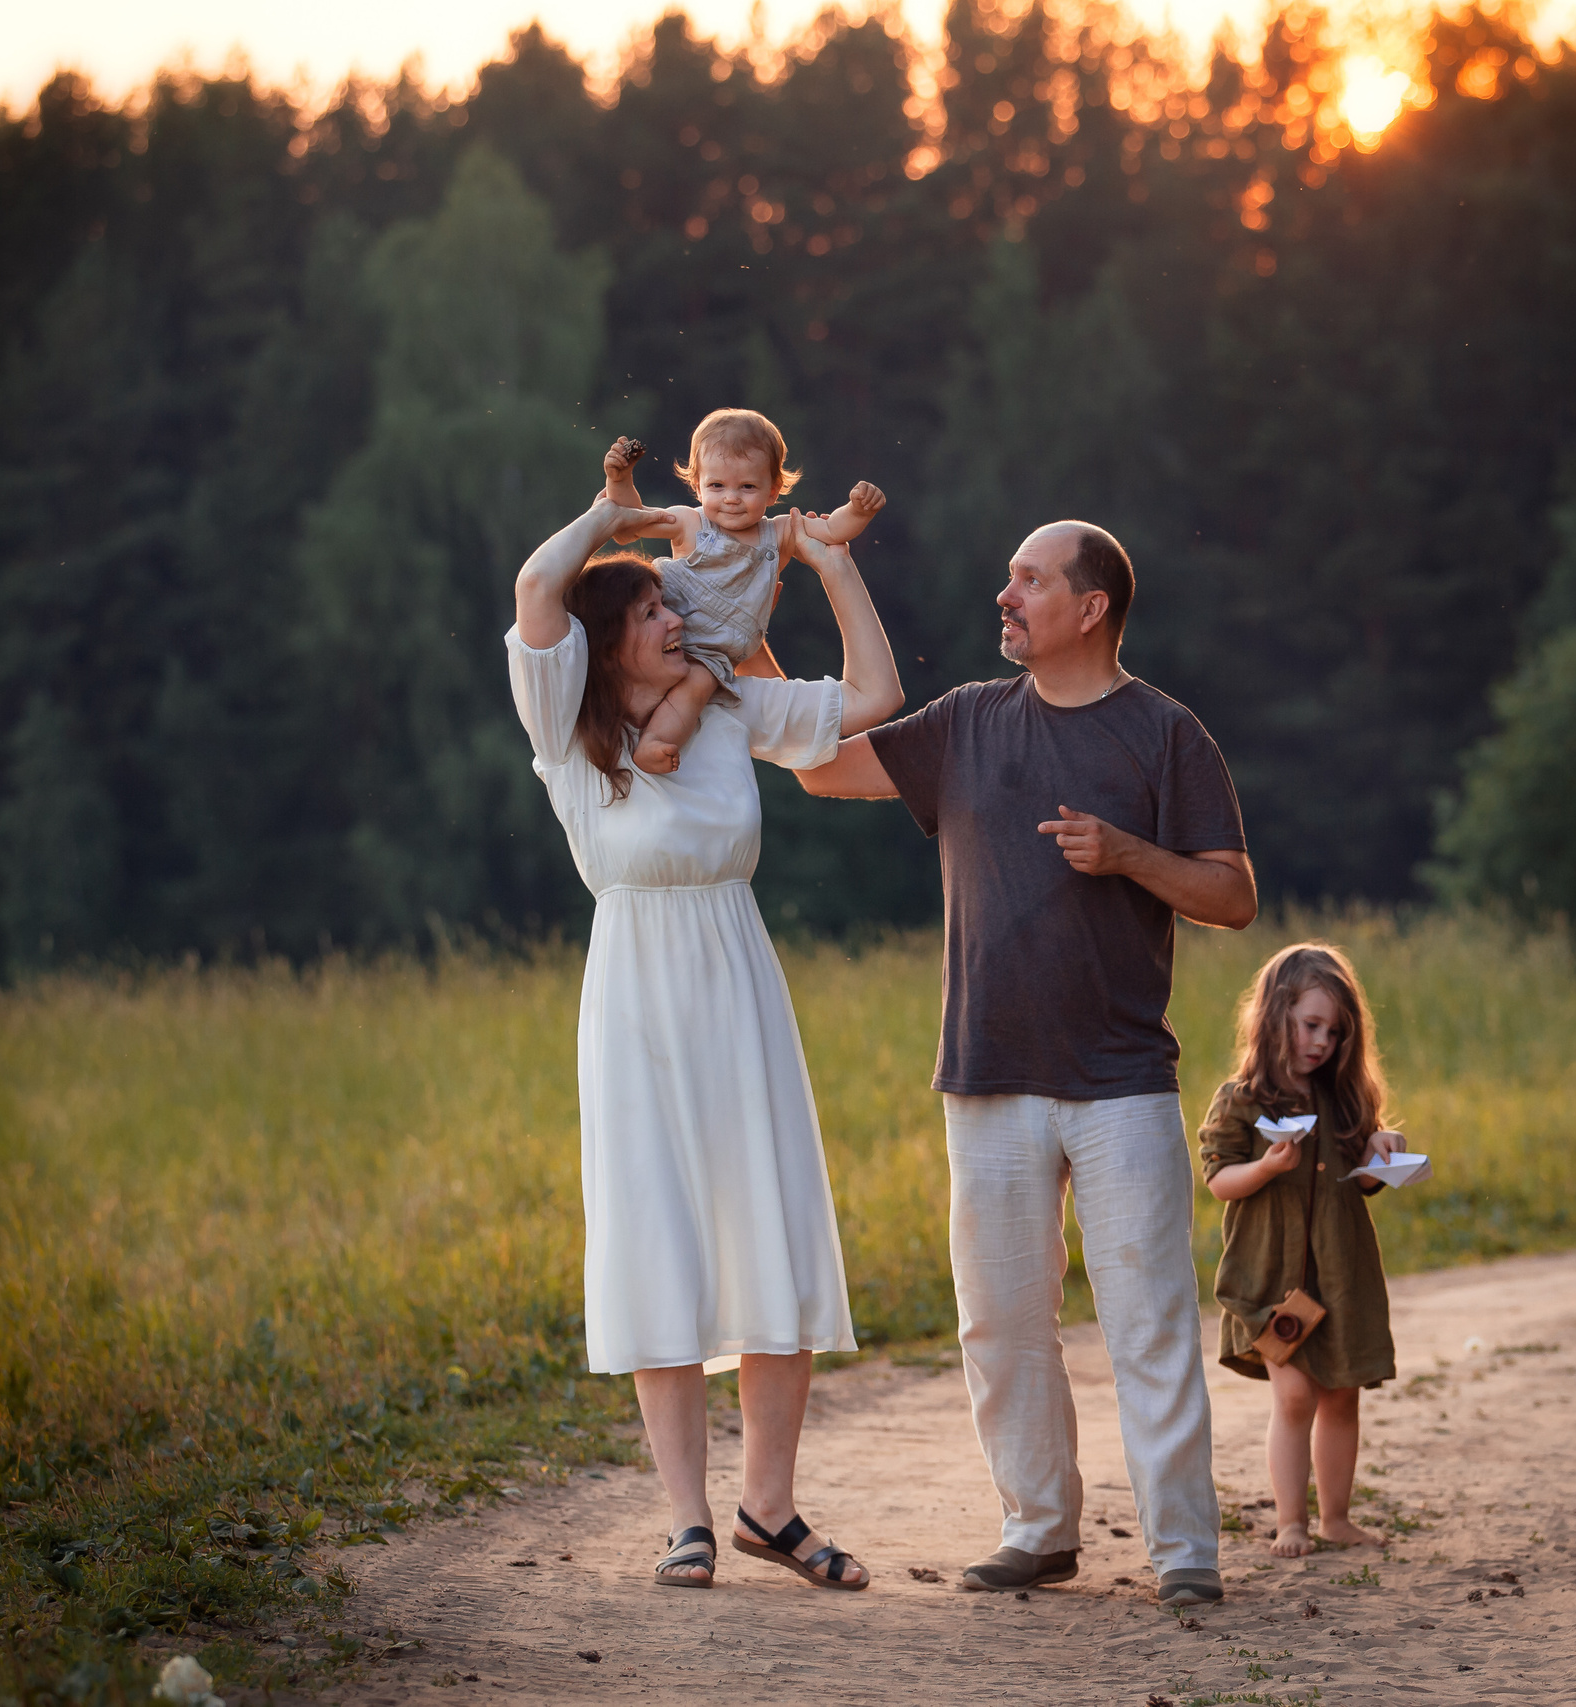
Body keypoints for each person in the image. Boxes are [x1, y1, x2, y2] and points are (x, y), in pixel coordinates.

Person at [796, 520, 1256, 1607]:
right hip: (986, 1069)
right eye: (1008, 577)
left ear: (1090, 609)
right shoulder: (964, 720)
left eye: (1030, 580)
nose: (1004, 595)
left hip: (1121, 1079)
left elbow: (1233, 895)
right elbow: (817, 768)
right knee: (1001, 1321)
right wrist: (772, 603)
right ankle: (1039, 1528)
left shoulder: (1166, 734)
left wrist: (1130, 855)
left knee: (1148, 1321)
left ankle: (1184, 1550)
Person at [506, 493, 902, 1591]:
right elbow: (537, 586)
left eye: (672, 607)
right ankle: (686, 1519)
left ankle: (769, 1509)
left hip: (737, 976)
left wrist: (826, 562)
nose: (677, 618)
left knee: (768, 1222)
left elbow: (875, 698)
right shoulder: (567, 734)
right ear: (605, 641)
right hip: (634, 993)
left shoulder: (727, 706)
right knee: (658, 1239)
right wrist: (611, 518)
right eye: (651, 612)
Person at [1200, 943, 1404, 1557]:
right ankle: (1291, 1520)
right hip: (1271, 1278)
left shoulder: (1343, 1099)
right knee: (1293, 1396)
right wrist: (1265, 1167)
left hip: (1339, 1275)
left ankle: (1336, 1518)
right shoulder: (1242, 1099)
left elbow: (1360, 1182)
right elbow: (1218, 1180)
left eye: (1335, 1032)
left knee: (1341, 1392)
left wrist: (1380, 1152)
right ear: (1276, 1015)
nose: (1322, 1042)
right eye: (1312, 1025)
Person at [600, 410, 887, 775]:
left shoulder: (780, 532)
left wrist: (858, 511)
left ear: (773, 489)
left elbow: (832, 532)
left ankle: (654, 742)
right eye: (717, 486)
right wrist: (620, 479)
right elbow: (629, 524)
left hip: (711, 652)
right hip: (663, 627)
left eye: (747, 487)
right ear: (697, 486)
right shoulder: (689, 522)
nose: (731, 498)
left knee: (697, 686)